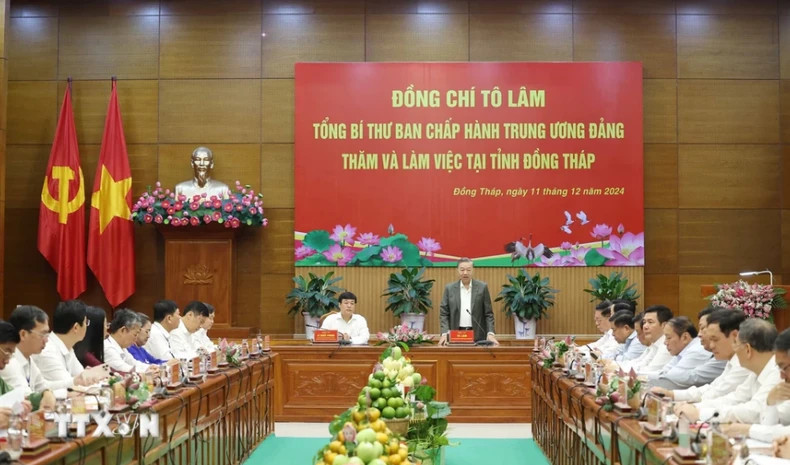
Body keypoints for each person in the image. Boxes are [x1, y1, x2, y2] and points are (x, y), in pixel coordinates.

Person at [677, 318, 781, 424]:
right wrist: (695, 407)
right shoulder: (756, 371)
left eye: (736, 343)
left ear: (748, 349)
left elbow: (754, 412)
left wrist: (700, 413)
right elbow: (736, 398)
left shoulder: (778, 372)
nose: (734, 349)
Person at [653, 308, 750, 402]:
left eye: (715, 339)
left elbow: (718, 396)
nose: (711, 345)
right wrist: (672, 395)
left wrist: (692, 409)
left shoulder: (744, 364)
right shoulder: (733, 360)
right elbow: (712, 388)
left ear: (734, 336)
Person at [33, 300, 107, 390]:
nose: (87, 326)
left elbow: (81, 376)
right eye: (85, 322)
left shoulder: (68, 347)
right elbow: (71, 387)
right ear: (76, 327)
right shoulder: (47, 351)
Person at [650, 316, 725, 390]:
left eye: (703, 329)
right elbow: (664, 373)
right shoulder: (681, 351)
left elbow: (689, 378)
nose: (699, 335)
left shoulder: (697, 350)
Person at [439, 258, 498, 346]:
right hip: (455, 335)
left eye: (468, 270)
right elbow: (444, 313)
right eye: (462, 270)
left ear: (473, 270)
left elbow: (488, 314)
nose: (465, 273)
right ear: (457, 271)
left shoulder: (482, 287)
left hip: (477, 336)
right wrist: (444, 334)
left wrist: (490, 333)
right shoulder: (449, 288)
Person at [0, 306, 51, 394]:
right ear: (23, 334)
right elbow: (25, 397)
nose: (46, 340)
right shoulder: (9, 362)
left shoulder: (28, 359)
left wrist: (47, 392)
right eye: (43, 334)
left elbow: (42, 386)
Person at [618, 305, 674, 375]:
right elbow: (639, 363)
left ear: (664, 325)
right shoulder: (654, 344)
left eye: (650, 322)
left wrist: (618, 370)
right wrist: (616, 368)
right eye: (644, 322)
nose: (645, 326)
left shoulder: (666, 345)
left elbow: (650, 372)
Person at [104, 309, 154, 373]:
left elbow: (134, 363)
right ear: (123, 330)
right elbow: (124, 369)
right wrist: (148, 370)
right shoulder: (108, 348)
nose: (136, 339)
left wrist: (150, 367)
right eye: (135, 334)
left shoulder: (122, 347)